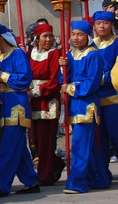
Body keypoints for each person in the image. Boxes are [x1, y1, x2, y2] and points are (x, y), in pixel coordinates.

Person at [60, 20, 112, 194]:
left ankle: (77, 183)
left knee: (80, 145)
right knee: (88, 146)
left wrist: (70, 88)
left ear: (88, 36)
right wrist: (63, 70)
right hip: (74, 104)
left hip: (87, 105)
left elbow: (92, 83)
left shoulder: (93, 55)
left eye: (80, 34)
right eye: (73, 34)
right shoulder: (70, 54)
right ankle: (100, 178)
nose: (76, 38)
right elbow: (63, 80)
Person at [0, 24, 39, 197]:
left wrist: (3, 76)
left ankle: (2, 184)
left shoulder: (17, 53)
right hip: (4, 105)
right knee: (18, 147)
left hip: (17, 105)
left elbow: (24, 78)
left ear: (0, 37)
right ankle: (31, 180)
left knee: (8, 147)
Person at [28, 23, 65, 185]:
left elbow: (54, 80)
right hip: (31, 100)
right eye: (45, 36)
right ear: (37, 38)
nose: (49, 39)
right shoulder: (30, 53)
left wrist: (36, 91)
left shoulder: (54, 54)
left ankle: (45, 175)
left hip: (47, 99)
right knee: (35, 140)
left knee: (46, 140)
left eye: (50, 35)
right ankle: (56, 163)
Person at [92, 10, 118, 169]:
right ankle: (101, 173)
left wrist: (100, 79)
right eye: (98, 23)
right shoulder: (90, 44)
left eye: (105, 23)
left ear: (112, 25)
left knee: (116, 135)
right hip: (94, 98)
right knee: (99, 138)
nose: (102, 26)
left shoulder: (116, 43)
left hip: (113, 97)